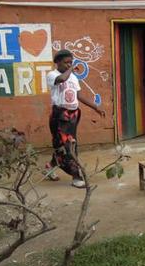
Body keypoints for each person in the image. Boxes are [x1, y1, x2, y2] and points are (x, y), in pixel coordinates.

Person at [44, 49, 105, 188]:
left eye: (71, 62)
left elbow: (79, 96)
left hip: (72, 116)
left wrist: (96, 107)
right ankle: (76, 177)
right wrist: (71, 68)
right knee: (68, 146)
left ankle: (50, 166)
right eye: (66, 62)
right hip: (59, 115)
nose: (69, 65)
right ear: (57, 63)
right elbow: (61, 79)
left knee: (66, 145)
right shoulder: (52, 75)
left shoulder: (73, 77)